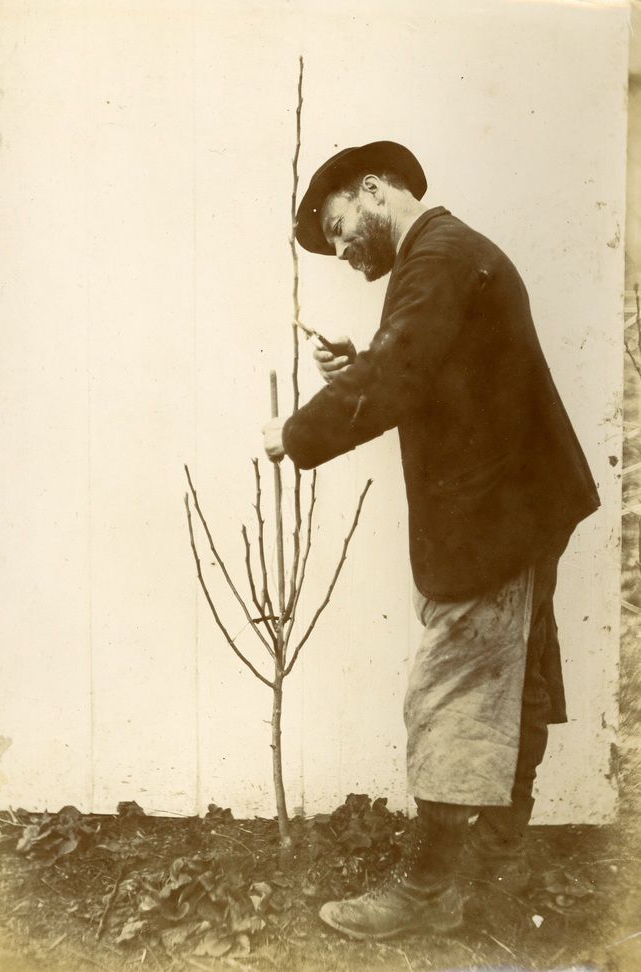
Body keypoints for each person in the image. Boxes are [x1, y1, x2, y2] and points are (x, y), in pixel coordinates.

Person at [262, 141, 600, 940]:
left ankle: (430, 890)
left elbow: (406, 373)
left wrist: (296, 434)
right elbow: (434, 363)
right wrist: (365, 360)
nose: (342, 252)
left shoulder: (437, 257)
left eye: (340, 228)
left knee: (453, 692)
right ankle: (496, 864)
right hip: (518, 505)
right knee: (515, 680)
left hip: (496, 518)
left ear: (374, 190)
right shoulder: (446, 254)